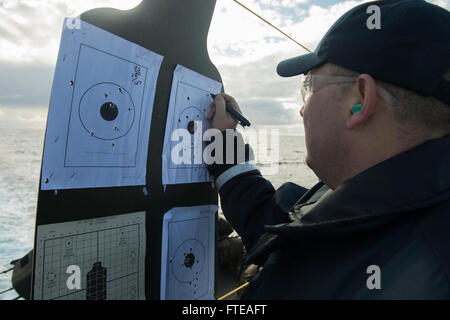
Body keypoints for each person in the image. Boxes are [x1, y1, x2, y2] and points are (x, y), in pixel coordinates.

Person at [206, 0, 450, 299]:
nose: (302, 110)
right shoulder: (386, 204)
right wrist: (224, 146)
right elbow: (281, 229)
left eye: (308, 86)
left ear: (359, 101)